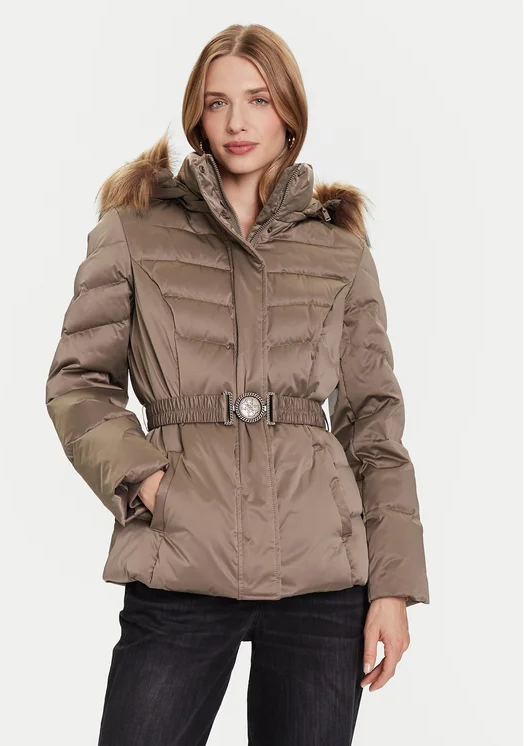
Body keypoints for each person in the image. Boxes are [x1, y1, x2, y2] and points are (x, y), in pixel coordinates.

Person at [45, 23, 430, 746]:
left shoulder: (339, 247)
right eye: (218, 102)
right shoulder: (136, 229)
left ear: (289, 111)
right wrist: (151, 484)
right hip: (181, 559)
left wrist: (393, 587)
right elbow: (79, 383)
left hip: (322, 577)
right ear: (198, 114)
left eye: (258, 99)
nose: (237, 122)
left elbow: (374, 422)